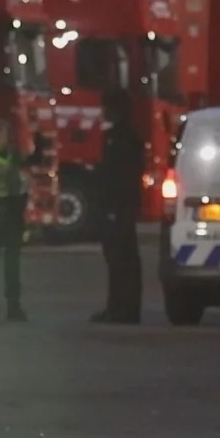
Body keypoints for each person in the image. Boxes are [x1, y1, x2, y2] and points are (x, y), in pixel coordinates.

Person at [0, 118, 40, 322]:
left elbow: (31, 163)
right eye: (3, 135)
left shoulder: (13, 155)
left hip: (12, 210)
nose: (7, 139)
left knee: (13, 262)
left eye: (8, 135)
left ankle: (14, 306)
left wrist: (38, 138)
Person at [92, 87, 145, 324]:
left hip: (118, 207)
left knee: (119, 260)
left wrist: (111, 208)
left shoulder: (119, 138)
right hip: (125, 206)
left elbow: (117, 176)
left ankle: (120, 308)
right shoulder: (131, 136)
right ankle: (125, 308)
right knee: (125, 260)